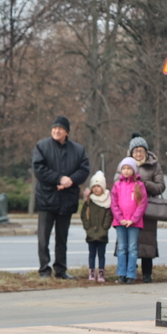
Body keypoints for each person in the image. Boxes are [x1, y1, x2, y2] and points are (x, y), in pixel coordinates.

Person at [32, 116, 90, 279]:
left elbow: (84, 170)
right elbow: (39, 169)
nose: (56, 131)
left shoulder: (78, 150)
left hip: (67, 199)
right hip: (46, 198)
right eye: (54, 128)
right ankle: (44, 269)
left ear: (67, 132)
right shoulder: (42, 146)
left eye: (60, 128)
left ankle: (61, 269)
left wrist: (70, 180)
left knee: (62, 238)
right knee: (43, 237)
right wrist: (59, 178)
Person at [128, 134, 166, 283]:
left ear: (146, 152)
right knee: (130, 242)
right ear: (131, 152)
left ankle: (147, 273)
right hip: (129, 209)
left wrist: (144, 183)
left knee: (147, 242)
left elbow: (161, 186)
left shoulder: (154, 166)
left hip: (148, 209)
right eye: (136, 151)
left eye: (141, 151)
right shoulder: (126, 165)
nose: (138, 154)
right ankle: (129, 272)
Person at [110, 157, 147, 284]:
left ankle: (131, 274)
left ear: (134, 170)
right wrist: (120, 219)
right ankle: (121, 273)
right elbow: (114, 203)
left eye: (129, 168)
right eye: (124, 168)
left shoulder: (139, 185)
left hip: (134, 223)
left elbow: (142, 204)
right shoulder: (117, 185)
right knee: (121, 248)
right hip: (120, 222)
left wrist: (133, 219)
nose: (126, 171)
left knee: (132, 248)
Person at [81, 171, 112, 283]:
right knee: (92, 254)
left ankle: (101, 273)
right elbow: (84, 216)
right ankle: (92, 272)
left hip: (102, 234)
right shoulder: (89, 201)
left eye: (98, 186)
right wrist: (88, 228)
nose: (96, 189)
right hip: (91, 234)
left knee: (101, 254)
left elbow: (109, 217)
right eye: (94, 186)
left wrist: (104, 228)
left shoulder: (107, 201)